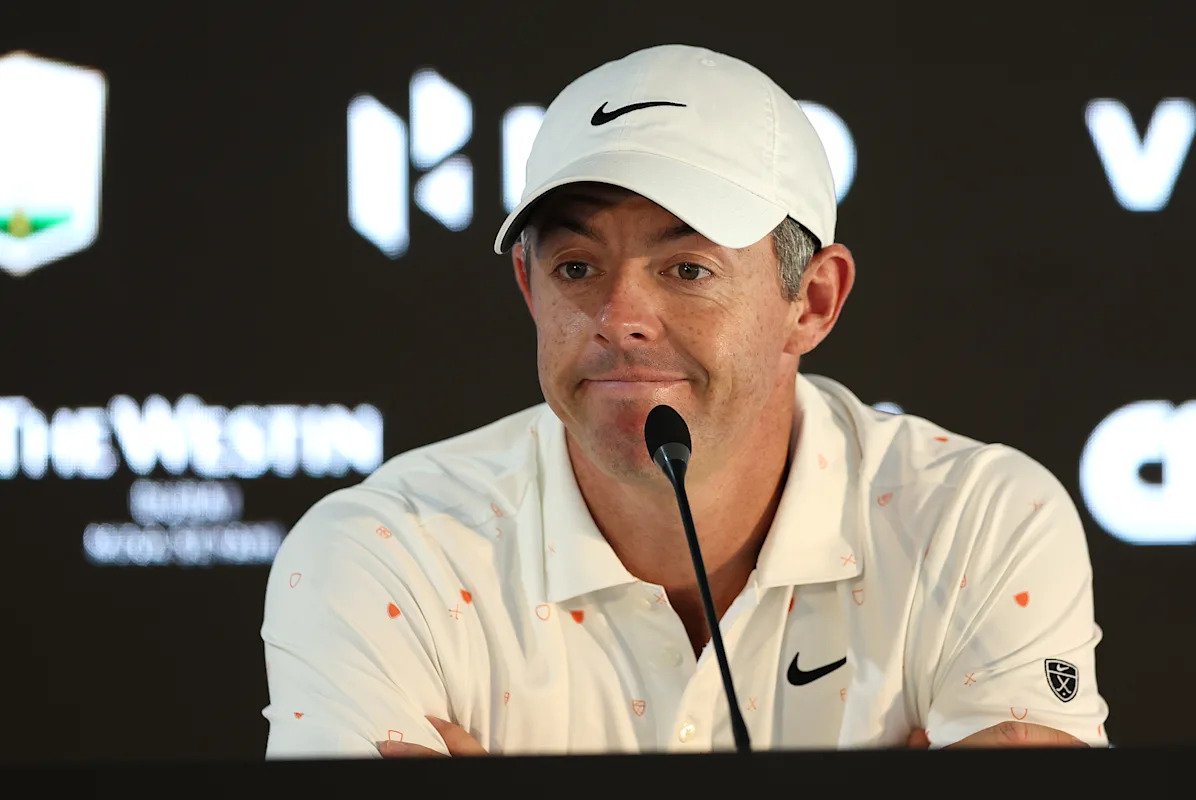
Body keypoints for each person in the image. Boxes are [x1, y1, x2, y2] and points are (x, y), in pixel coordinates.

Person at [259, 43, 1109, 757]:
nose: (619, 317)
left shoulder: (975, 523)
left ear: (812, 302)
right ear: (528, 288)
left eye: (688, 269)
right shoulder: (383, 553)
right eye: (576, 268)